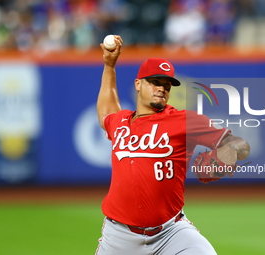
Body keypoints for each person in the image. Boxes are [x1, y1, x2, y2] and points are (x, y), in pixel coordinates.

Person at [95, 35, 250, 255]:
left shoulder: (184, 120)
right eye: (155, 82)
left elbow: (240, 144)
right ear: (138, 84)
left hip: (171, 232)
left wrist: (232, 149)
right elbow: (106, 113)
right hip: (119, 236)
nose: (162, 88)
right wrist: (109, 66)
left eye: (167, 85)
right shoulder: (120, 122)